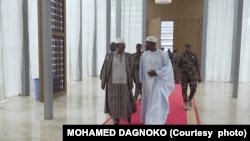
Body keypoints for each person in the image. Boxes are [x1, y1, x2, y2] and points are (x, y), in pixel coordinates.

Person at [100, 38, 140, 125]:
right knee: (114, 104)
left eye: (124, 47)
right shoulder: (109, 57)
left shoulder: (129, 57)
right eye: (122, 47)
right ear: (117, 46)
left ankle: (128, 115)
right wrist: (103, 83)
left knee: (126, 102)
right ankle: (116, 120)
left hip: (125, 85)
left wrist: (137, 82)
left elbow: (134, 70)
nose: (124, 49)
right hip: (112, 86)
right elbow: (105, 70)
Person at [139, 36, 174, 125]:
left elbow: (168, 68)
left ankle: (154, 121)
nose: (145, 44)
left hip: (158, 82)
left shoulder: (162, 54)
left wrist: (157, 73)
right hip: (147, 84)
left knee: (156, 102)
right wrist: (140, 81)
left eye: (147, 43)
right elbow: (141, 69)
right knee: (149, 102)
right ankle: (149, 119)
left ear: (153, 44)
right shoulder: (144, 55)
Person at [177, 44, 201, 111]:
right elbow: (179, 67)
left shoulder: (194, 55)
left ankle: (190, 98)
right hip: (184, 76)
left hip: (193, 76)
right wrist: (178, 77)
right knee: (184, 90)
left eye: (188, 48)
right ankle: (186, 103)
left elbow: (197, 66)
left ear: (190, 48)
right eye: (185, 48)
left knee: (194, 89)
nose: (186, 49)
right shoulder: (181, 56)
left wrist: (199, 76)